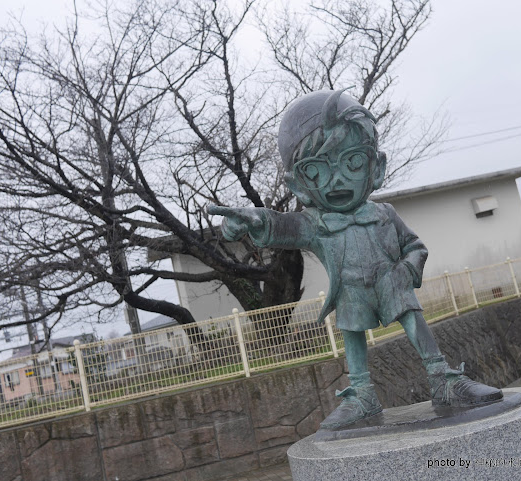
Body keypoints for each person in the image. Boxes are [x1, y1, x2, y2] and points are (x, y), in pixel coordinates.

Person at [209, 89, 502, 429]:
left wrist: (407, 269)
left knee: (410, 313)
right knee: (351, 331)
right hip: (350, 290)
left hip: (390, 279)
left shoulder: (383, 214)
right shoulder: (315, 223)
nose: (337, 179)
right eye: (317, 170)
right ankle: (362, 394)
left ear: (375, 168)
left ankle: (443, 379)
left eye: (353, 162)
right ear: (299, 185)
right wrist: (252, 220)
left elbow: (415, 246)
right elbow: (279, 225)